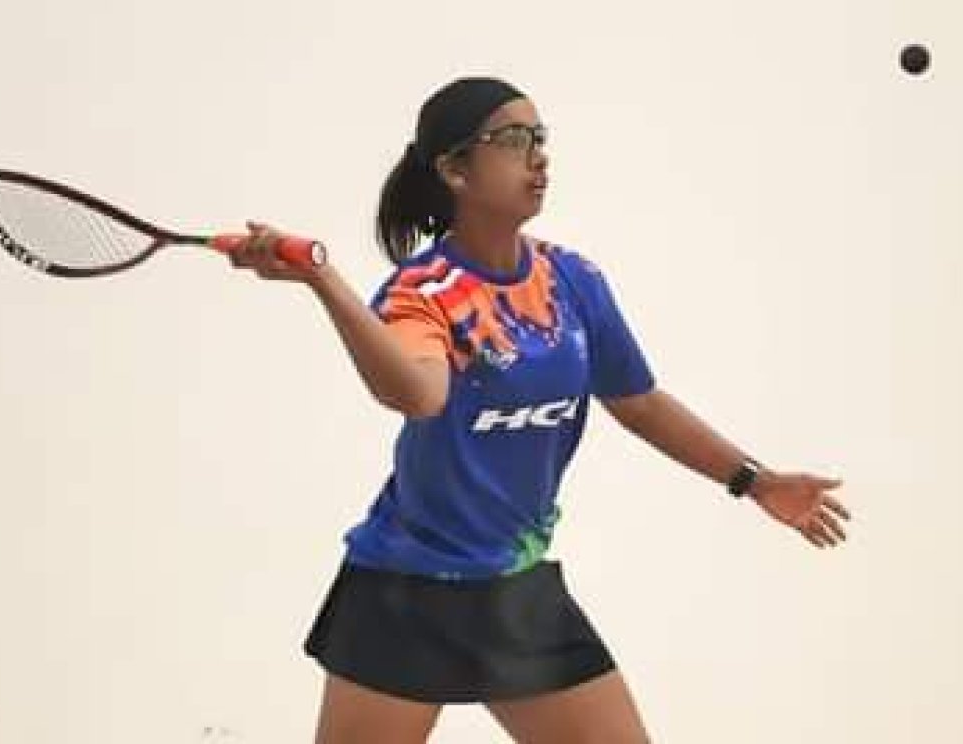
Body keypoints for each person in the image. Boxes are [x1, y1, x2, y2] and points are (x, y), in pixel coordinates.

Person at [228, 76, 851, 744]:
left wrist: (754, 481)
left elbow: (639, 402)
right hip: (405, 595)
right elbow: (419, 394)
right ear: (455, 170)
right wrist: (325, 282)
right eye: (513, 139)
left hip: (515, 595)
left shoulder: (571, 280)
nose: (539, 156)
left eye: (540, 136)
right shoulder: (424, 293)